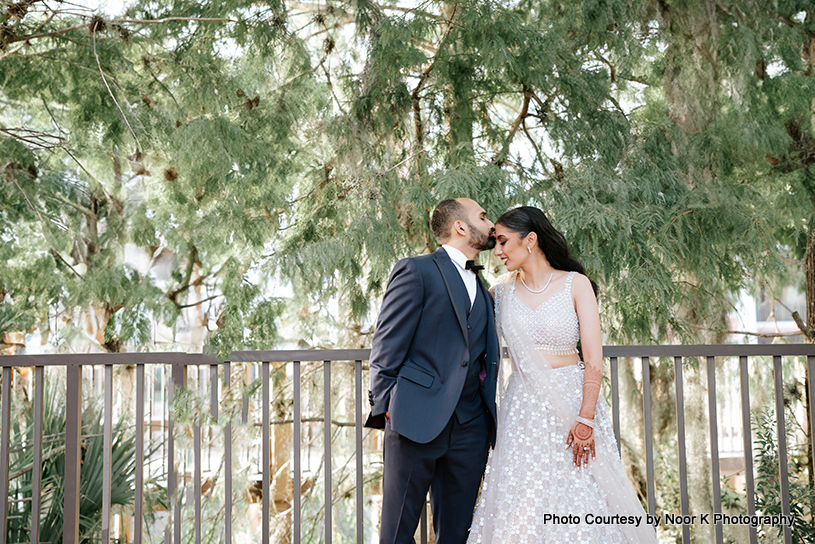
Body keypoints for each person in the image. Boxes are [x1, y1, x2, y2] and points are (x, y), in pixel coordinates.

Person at [467, 206, 657, 544]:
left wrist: (585, 418)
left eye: (503, 242)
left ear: (531, 240)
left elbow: (594, 360)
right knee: (524, 498)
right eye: (495, 243)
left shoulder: (575, 284)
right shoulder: (500, 291)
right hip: (523, 408)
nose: (497, 251)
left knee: (581, 493)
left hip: (573, 404)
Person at [365, 198, 501, 544]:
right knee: (397, 533)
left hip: (471, 426)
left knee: (457, 534)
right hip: (414, 419)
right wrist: (386, 410)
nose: (491, 225)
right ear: (460, 227)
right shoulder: (417, 270)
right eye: (483, 217)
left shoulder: (486, 292)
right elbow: (386, 344)